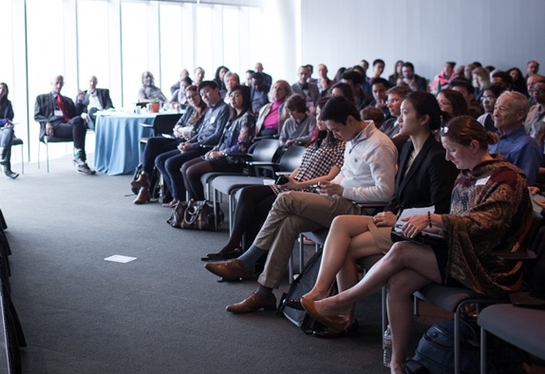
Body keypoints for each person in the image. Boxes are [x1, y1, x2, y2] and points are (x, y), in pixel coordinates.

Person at [301, 116, 533, 374]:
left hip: (490, 266)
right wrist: (431, 228)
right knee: (398, 283)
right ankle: (396, 363)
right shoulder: (468, 173)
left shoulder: (506, 179)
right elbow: (460, 221)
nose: (447, 157)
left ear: (475, 145)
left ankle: (343, 301)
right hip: (461, 252)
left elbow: (485, 224)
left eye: (452, 150)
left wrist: (434, 220)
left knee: (401, 250)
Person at [205, 97, 397, 313]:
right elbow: (347, 173)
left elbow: (386, 192)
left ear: (351, 120)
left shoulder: (379, 145)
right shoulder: (354, 138)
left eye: (336, 130)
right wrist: (331, 185)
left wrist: (343, 190)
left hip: (359, 210)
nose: (334, 135)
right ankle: (264, 293)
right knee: (290, 222)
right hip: (340, 199)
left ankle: (247, 260)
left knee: (285, 198)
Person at [297, 92, 458, 335]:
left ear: (424, 119)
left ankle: (344, 314)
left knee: (346, 248)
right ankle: (322, 292)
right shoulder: (407, 149)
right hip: (397, 219)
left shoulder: (437, 156)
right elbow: (396, 195)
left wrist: (397, 217)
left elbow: (440, 210)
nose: (398, 117)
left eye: (405, 112)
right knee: (340, 223)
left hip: (418, 231)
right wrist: (390, 212)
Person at [203, 99, 345, 261]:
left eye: (322, 115)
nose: (318, 119)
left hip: (308, 190)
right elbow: (303, 166)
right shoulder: (319, 140)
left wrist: (298, 184)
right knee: (246, 193)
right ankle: (235, 245)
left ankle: (247, 258)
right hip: (293, 183)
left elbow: (330, 177)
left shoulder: (341, 145)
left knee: (257, 208)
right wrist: (290, 178)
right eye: (318, 114)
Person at [155, 81, 230, 206]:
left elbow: (217, 136)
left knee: (171, 163)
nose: (204, 96)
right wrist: (187, 143)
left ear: (216, 90)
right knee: (160, 160)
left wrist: (193, 145)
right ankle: (176, 195)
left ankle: (181, 200)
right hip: (197, 144)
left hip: (207, 148)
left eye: (207, 91)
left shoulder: (223, 109)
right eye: (202, 94)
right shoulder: (209, 110)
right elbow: (200, 133)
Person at [132, 85, 207, 204]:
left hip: (187, 142)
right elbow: (177, 126)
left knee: (159, 156)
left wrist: (182, 130)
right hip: (177, 138)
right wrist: (182, 130)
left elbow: (194, 132)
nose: (192, 99)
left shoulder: (206, 111)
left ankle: (151, 189)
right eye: (188, 97)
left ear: (200, 95)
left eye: (194, 95)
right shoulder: (189, 109)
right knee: (152, 142)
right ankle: (144, 176)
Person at [180, 85, 256, 201]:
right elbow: (223, 140)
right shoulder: (233, 117)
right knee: (185, 167)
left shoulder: (247, 117)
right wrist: (214, 149)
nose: (233, 99)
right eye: (231, 96)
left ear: (244, 97)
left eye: (237, 96)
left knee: (191, 171)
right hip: (222, 156)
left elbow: (242, 147)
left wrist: (221, 153)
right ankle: (193, 207)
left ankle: (203, 208)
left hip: (233, 160)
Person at [34, 75, 95, 174]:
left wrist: (79, 100)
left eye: (61, 83)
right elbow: (37, 116)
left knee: (80, 121)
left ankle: (79, 158)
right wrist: (47, 123)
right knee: (80, 128)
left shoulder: (67, 100)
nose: (58, 86)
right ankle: (81, 161)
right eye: (56, 83)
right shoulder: (41, 98)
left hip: (67, 123)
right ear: (51, 83)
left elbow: (76, 114)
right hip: (54, 126)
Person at [492, 91, 542, 184]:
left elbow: (525, 184)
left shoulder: (527, 145)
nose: (495, 113)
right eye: (495, 108)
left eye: (502, 109)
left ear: (520, 115)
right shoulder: (492, 139)